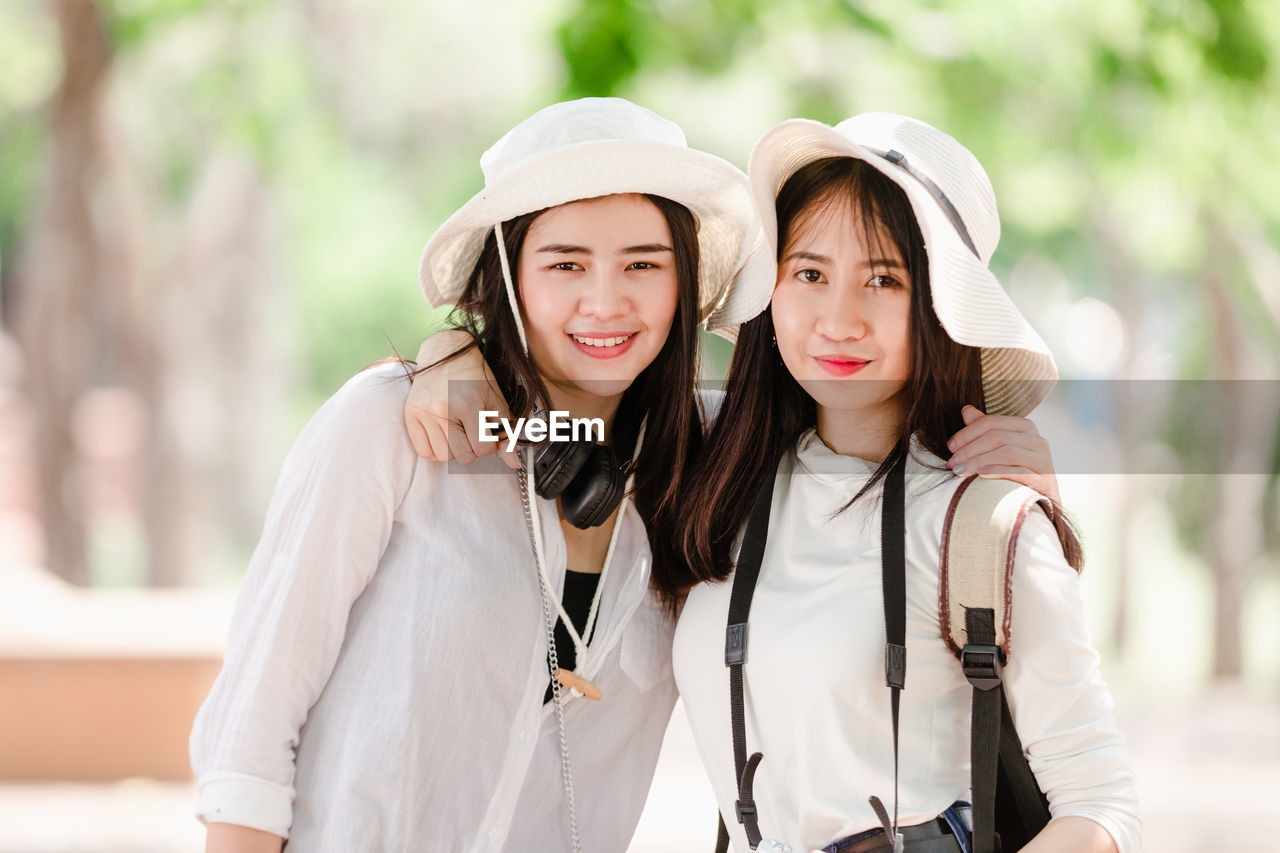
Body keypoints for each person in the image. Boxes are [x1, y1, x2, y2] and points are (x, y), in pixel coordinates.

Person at [188, 96, 775, 852]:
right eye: (565, 263)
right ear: (508, 274)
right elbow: (251, 733)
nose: (606, 300)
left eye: (643, 264)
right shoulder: (389, 428)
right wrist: (452, 353)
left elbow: (874, 411)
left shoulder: (712, 461)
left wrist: (982, 437)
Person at [670, 115, 1141, 852]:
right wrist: (454, 362)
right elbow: (553, 418)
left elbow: (1100, 802)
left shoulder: (979, 520)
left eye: (883, 278)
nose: (839, 319)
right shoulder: (716, 469)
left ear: (939, 307)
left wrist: (1020, 521)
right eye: (811, 273)